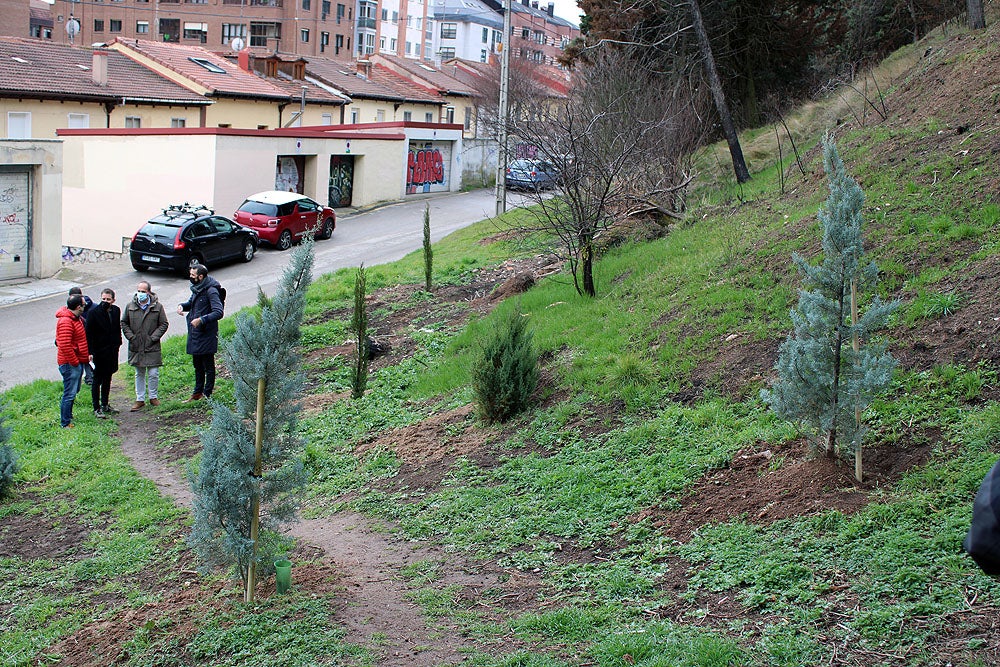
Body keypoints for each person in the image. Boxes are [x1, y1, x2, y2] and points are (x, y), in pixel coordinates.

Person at [177, 264, 224, 402]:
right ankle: (197, 393)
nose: (190, 277)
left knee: (208, 366)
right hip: (195, 334)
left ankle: (207, 394)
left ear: (200, 276)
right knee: (197, 365)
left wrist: (202, 320)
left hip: (206, 334)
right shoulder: (197, 288)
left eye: (193, 275)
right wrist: (182, 306)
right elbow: (191, 303)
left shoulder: (211, 291)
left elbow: (218, 312)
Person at [121, 281, 168, 411]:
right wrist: (131, 337)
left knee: (153, 373)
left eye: (143, 291)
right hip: (136, 345)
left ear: (149, 292)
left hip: (151, 346)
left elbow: (163, 324)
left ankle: (153, 397)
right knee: (139, 373)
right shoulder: (130, 306)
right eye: (139, 291)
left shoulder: (157, 307)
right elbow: (124, 323)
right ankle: (139, 399)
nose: (140, 293)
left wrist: (153, 337)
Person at [85, 288, 122, 418]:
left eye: (108, 299)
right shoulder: (93, 313)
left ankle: (105, 404)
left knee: (108, 377)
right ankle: (96, 407)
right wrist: (90, 352)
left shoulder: (116, 310)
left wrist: (118, 343)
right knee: (97, 379)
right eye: (103, 299)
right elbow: (88, 334)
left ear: (113, 300)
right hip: (99, 351)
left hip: (112, 350)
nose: (105, 302)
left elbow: (117, 328)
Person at [55, 294, 90, 428]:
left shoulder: (75, 318)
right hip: (70, 364)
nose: (85, 306)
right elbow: (64, 345)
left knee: (73, 391)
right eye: (83, 304)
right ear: (78, 307)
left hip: (75, 362)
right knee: (69, 393)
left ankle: (68, 416)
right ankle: (65, 422)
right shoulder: (66, 321)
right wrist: (75, 362)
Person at [68, 286, 95, 386]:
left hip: (85, 340)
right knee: (87, 358)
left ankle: (89, 378)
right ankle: (89, 378)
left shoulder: (75, 313)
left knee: (86, 358)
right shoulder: (93, 306)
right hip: (89, 339)